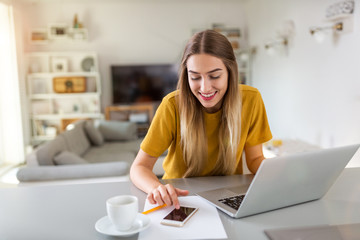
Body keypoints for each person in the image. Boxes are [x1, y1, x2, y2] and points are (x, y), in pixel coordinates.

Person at [130, 29, 272, 209]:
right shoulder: (172, 105)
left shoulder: (251, 99)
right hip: (179, 200)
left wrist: (275, 174)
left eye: (214, 76)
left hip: (227, 196)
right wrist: (156, 188)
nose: (205, 88)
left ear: (230, 72)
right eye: (195, 77)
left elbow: (255, 159)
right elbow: (139, 167)